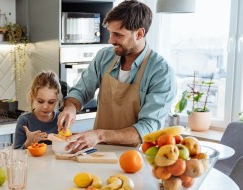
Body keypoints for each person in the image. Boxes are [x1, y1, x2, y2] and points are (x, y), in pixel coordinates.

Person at [58, 0, 176, 151]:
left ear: (139, 34)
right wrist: (70, 108)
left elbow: (147, 128)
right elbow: (80, 91)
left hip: (135, 156)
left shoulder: (161, 73)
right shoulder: (104, 57)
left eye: (118, 35)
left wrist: (99, 135)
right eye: (110, 32)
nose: (110, 40)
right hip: (98, 151)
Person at [14, 71, 62, 149]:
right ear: (32, 97)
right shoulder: (24, 121)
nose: (45, 107)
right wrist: (29, 142)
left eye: (51, 102)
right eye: (40, 101)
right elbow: (16, 153)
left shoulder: (61, 119)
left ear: (57, 100)